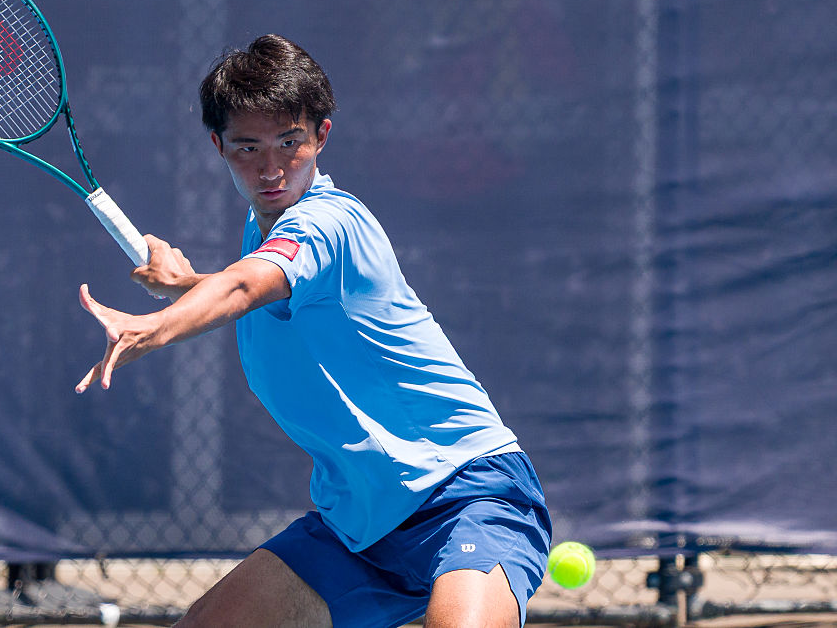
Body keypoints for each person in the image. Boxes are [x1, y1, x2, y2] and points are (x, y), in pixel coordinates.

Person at [76, 34, 551, 628]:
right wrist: (188, 284)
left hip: (466, 495)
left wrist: (157, 325)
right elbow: (258, 283)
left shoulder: (331, 221)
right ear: (219, 146)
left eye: (289, 143)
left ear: (321, 136)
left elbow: (248, 287)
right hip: (357, 525)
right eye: (248, 148)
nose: (270, 168)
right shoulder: (264, 229)